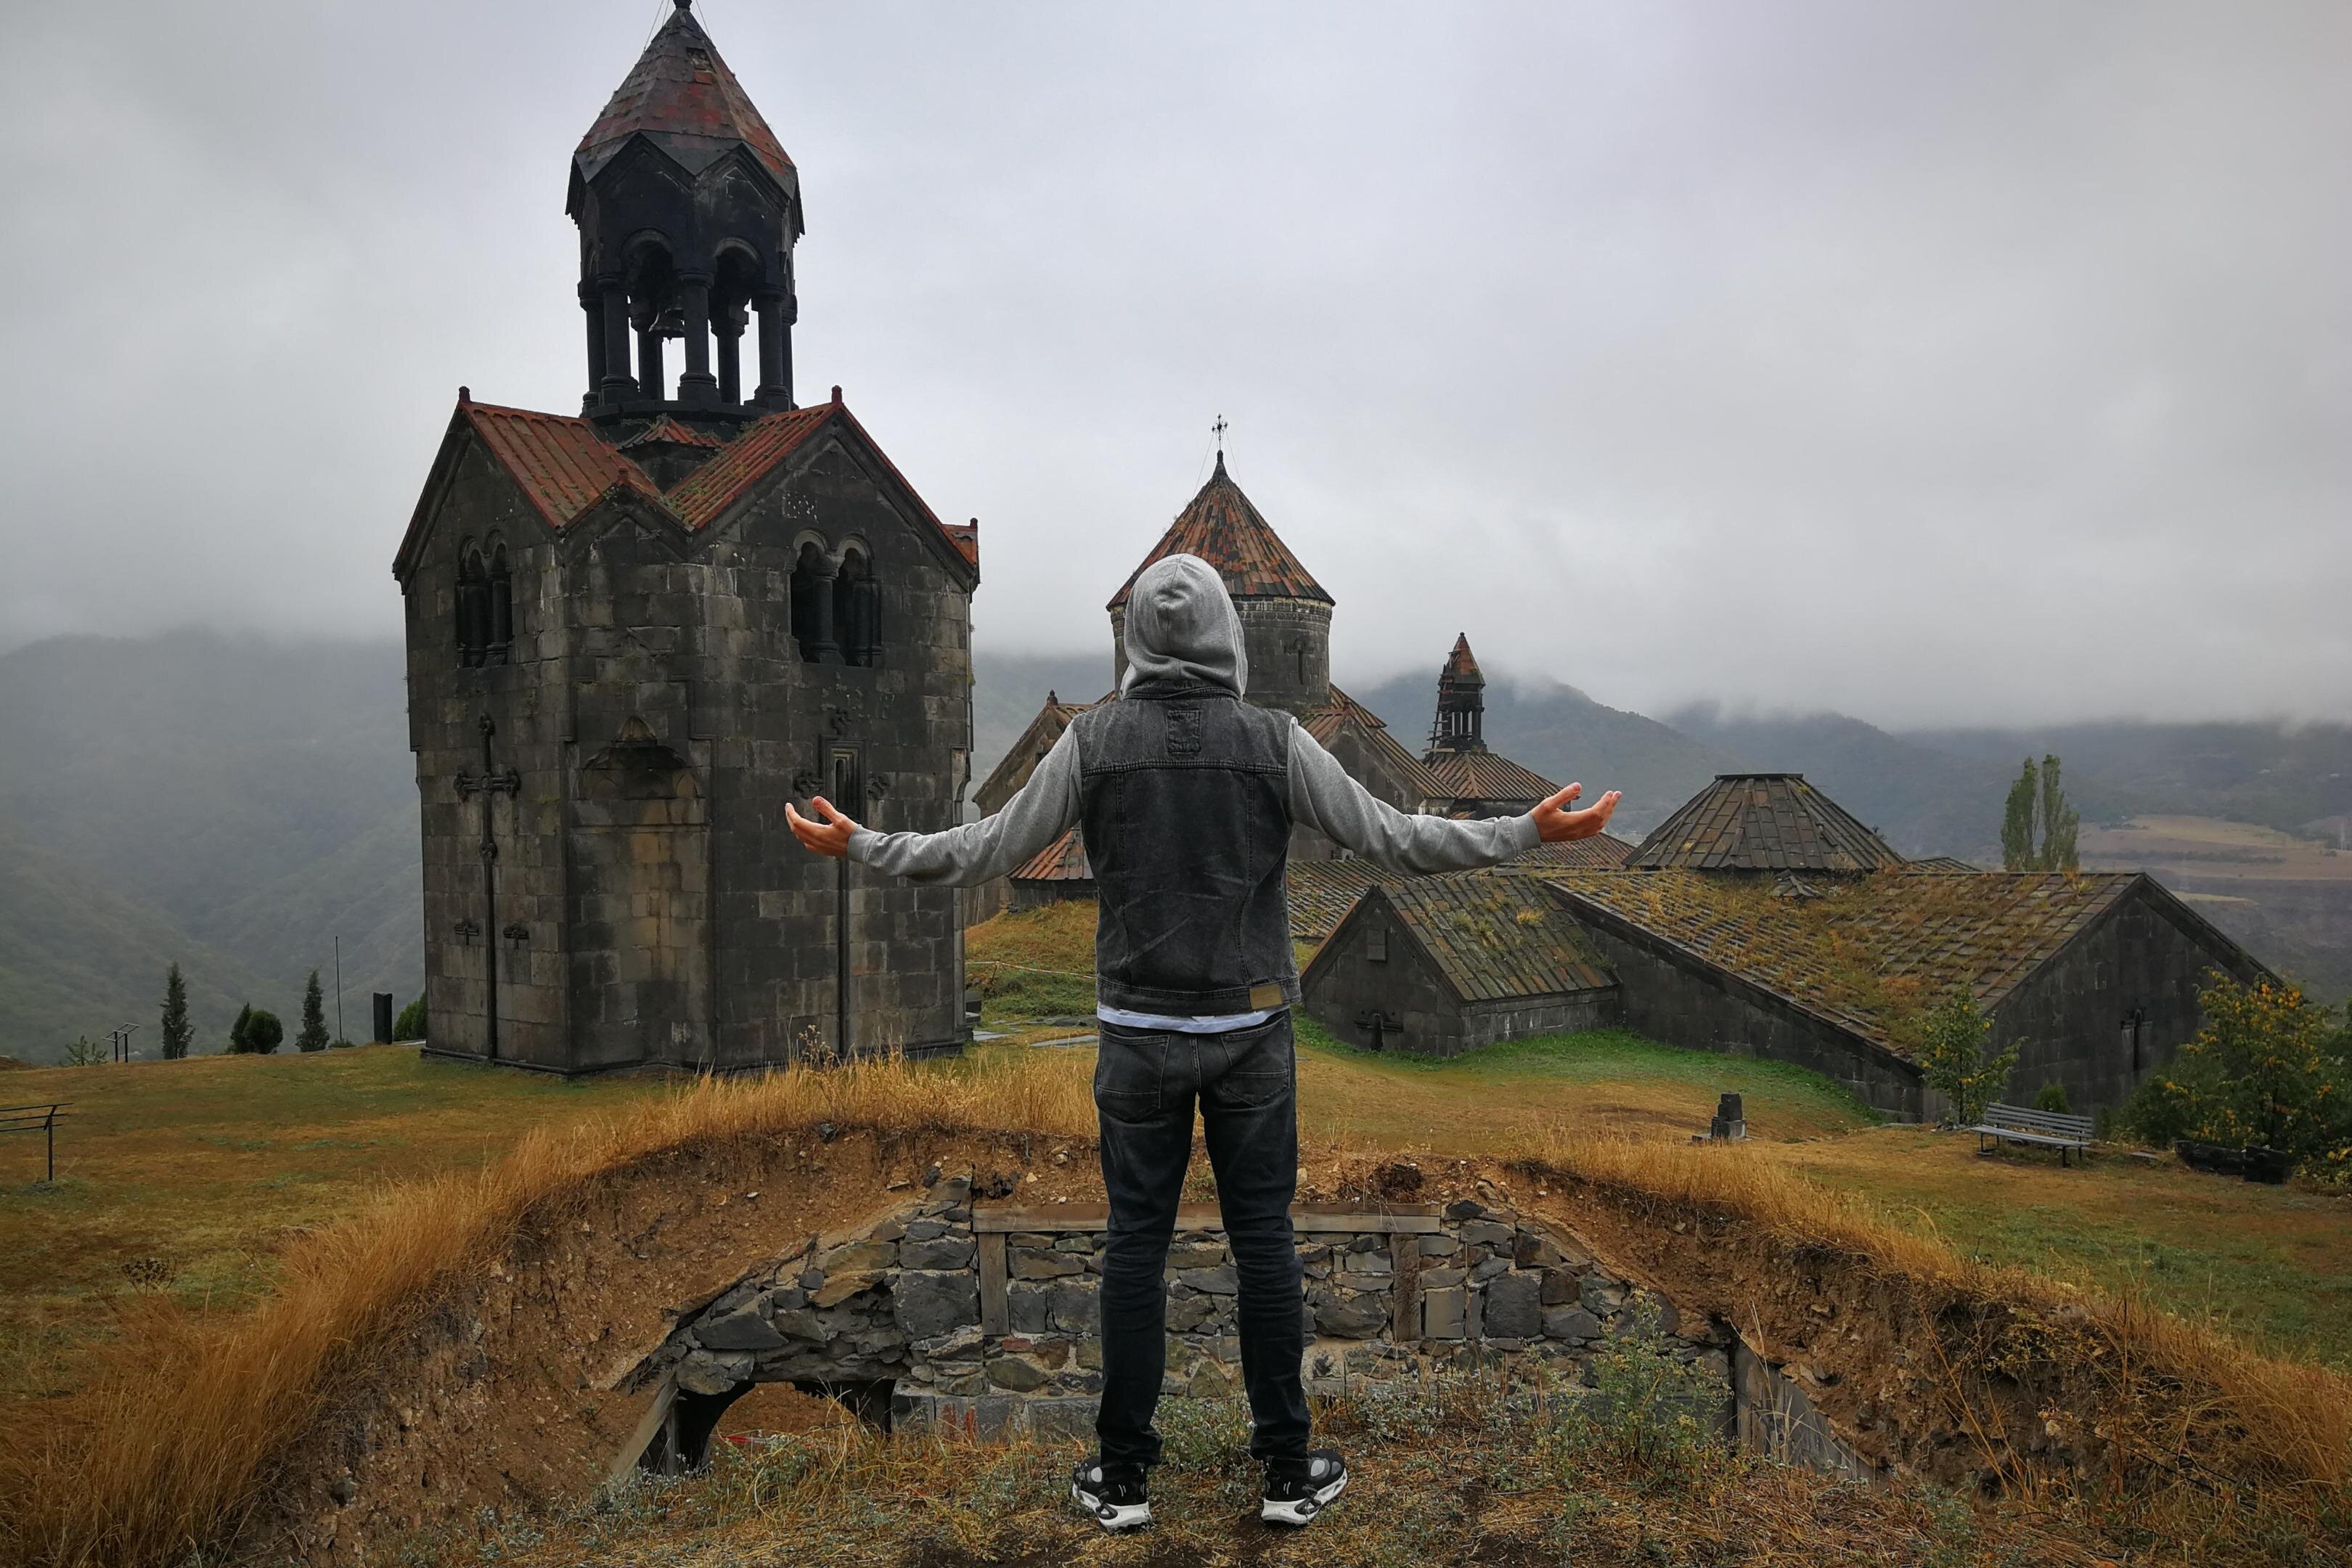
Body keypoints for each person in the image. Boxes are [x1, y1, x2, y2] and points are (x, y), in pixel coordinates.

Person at [787, 553, 1620, 1532]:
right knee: (1263, 1244)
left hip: (1137, 1035)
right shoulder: (1275, 739)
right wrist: (1524, 832)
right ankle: (1286, 1473)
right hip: (1251, 1031)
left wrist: (866, 844)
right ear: (1229, 634)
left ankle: (1124, 1479)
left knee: (1134, 1249)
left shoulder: (1092, 742)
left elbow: (985, 850)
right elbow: (1396, 837)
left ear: (1136, 638)